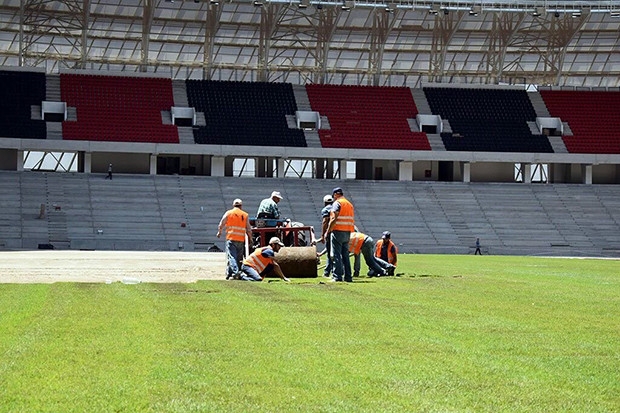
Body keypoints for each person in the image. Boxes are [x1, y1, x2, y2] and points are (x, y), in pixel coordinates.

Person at [216, 198, 252, 279]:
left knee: (232, 257)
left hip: (231, 238)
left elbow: (221, 223)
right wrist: (250, 238)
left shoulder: (229, 213)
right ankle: (229, 274)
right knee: (238, 258)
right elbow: (248, 228)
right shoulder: (245, 215)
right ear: (241, 206)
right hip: (241, 239)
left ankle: (235, 273)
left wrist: (219, 232)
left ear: (233, 205)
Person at [326, 187, 355, 282]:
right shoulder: (349, 204)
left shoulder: (337, 203)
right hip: (347, 232)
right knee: (345, 255)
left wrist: (328, 231)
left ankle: (337, 276)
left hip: (338, 231)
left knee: (336, 255)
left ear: (335, 194)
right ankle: (348, 277)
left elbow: (334, 218)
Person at [315, 194, 334, 278]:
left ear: (325, 202)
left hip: (330, 232)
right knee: (337, 252)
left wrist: (323, 235)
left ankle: (327, 272)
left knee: (330, 253)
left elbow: (325, 222)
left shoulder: (325, 210)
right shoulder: (335, 208)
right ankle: (335, 270)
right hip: (339, 231)